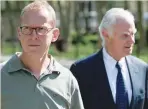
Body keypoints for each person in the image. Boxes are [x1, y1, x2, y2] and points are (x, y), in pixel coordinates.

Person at [1, 1, 84, 109]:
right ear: (19, 33)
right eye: (27, 28)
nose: (34, 36)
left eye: (41, 29)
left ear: (54, 35)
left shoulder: (67, 80)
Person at [70, 8, 148, 109]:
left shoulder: (142, 69)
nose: (132, 40)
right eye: (125, 35)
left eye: (133, 34)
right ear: (105, 34)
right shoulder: (81, 71)